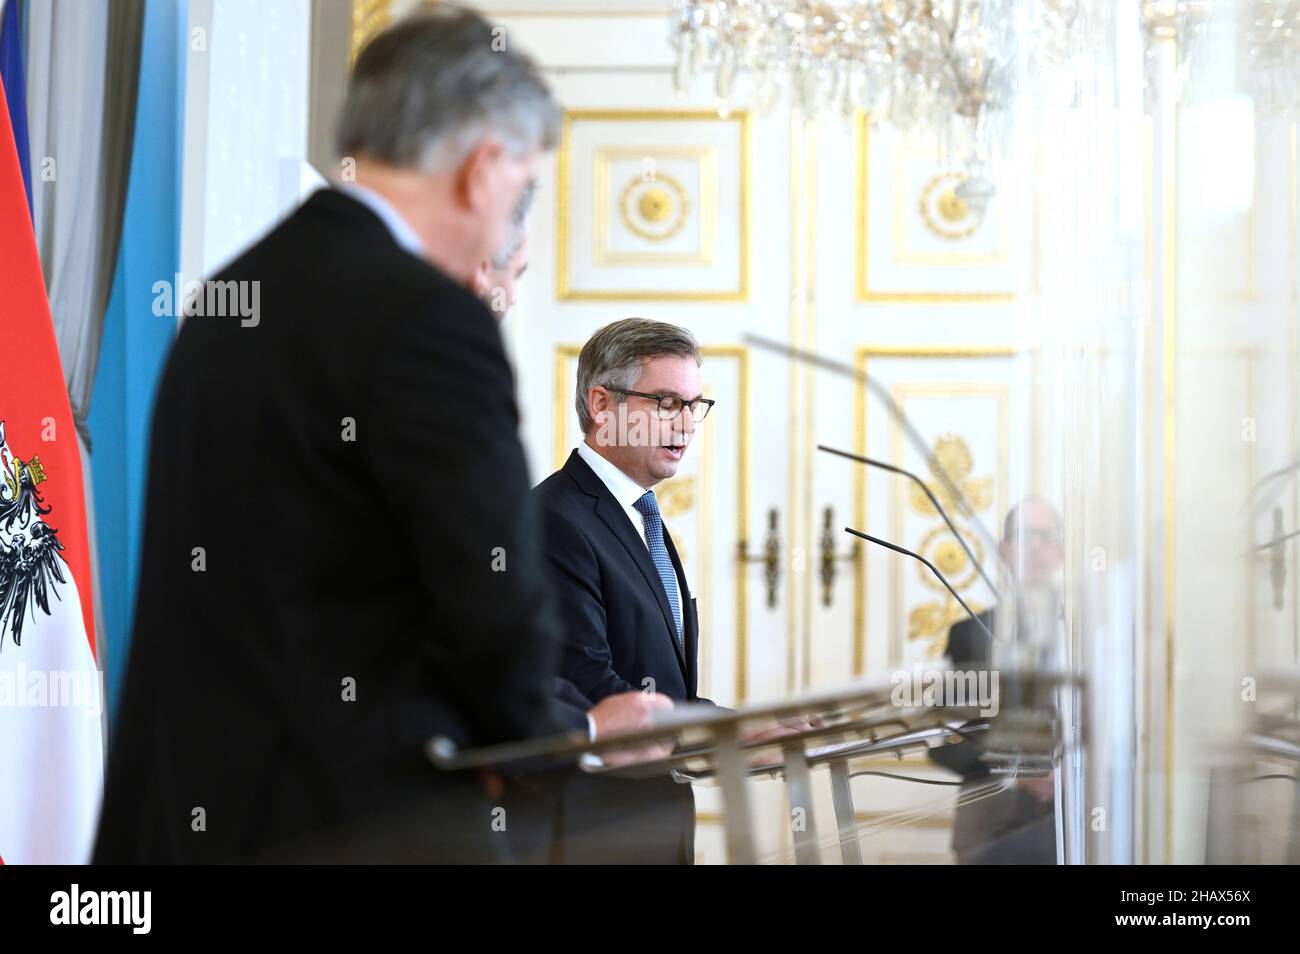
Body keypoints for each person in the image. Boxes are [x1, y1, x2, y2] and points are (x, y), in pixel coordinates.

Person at [96, 7, 572, 863]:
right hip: (364, 814)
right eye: (521, 188)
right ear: (483, 168)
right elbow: (487, 588)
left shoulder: (227, 297)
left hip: (191, 808)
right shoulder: (430, 317)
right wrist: (541, 746)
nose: (510, 220)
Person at [933, 496, 1063, 864]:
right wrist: (1014, 771)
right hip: (988, 834)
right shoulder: (969, 634)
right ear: (1005, 549)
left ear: (1062, 551)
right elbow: (948, 740)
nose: (1037, 546)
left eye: (1047, 536)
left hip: (1072, 828)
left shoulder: (1091, 634)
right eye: (1025, 535)